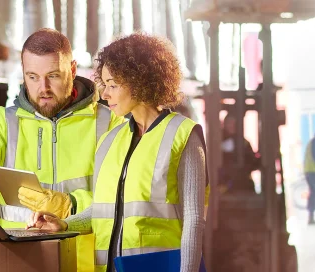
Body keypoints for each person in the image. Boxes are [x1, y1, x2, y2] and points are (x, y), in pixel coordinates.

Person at [0, 28, 125, 271]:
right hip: (21, 262)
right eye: (33, 77)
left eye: (53, 75)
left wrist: (71, 205)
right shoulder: (5, 122)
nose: (43, 88)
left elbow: (120, 197)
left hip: (86, 264)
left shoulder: (109, 123)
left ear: (71, 69)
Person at [27, 32, 209, 272]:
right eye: (104, 84)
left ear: (140, 82)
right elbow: (104, 210)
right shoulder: (111, 140)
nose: (105, 94)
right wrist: (64, 223)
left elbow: (194, 221)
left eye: (113, 84)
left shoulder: (182, 133)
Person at [219, 112, 260, 194]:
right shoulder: (218, 142)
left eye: (234, 123)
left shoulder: (244, 143)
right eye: (229, 123)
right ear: (224, 124)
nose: (231, 126)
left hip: (244, 184)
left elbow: (253, 163)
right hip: (225, 185)